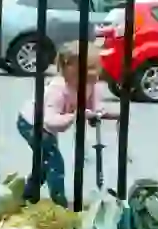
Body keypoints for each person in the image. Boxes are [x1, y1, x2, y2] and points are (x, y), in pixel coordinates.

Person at [16, 45, 116, 206]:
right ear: (68, 71)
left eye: (94, 69)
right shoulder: (58, 89)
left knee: (44, 162)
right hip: (32, 123)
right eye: (86, 70)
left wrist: (103, 113)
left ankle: (28, 196)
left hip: (49, 125)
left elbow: (94, 106)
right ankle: (59, 204)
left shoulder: (91, 84)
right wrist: (75, 116)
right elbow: (50, 121)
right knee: (54, 162)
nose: (92, 75)